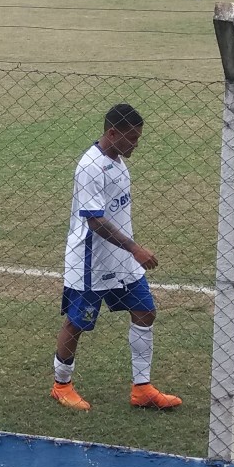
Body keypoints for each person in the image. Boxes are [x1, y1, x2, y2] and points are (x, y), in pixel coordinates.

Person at [51, 103, 182, 413]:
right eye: (132, 138)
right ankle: (61, 385)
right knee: (76, 323)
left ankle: (142, 389)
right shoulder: (90, 167)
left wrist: (129, 253)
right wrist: (135, 249)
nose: (135, 144)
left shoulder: (118, 160)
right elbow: (95, 221)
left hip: (121, 261)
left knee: (145, 311)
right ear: (112, 133)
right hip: (90, 263)